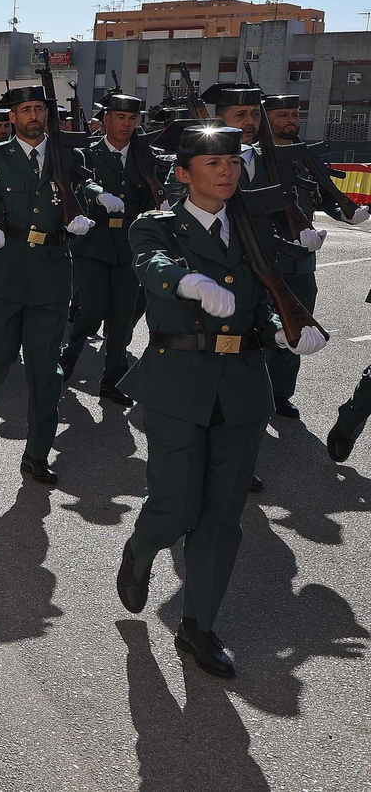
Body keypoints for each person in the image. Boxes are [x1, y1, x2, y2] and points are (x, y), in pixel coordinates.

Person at [115, 121, 327, 679]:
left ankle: (198, 627)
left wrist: (288, 332)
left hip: (240, 389)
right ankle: (142, 549)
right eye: (213, 163)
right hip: (177, 383)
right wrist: (188, 283)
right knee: (175, 507)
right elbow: (151, 265)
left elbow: (271, 300)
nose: (228, 171)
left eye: (233, 162)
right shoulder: (155, 225)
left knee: (221, 518)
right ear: (184, 174)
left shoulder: (255, 228)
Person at [0, 85, 101, 483]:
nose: (34, 115)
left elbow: (83, 187)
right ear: (13, 117)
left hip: (51, 275)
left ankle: (37, 453)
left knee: (46, 371)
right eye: (26, 110)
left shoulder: (65, 155)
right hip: (3, 271)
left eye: (40, 108)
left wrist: (85, 211)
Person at [255, 92, 367, 418]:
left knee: (298, 327)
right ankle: (248, 394)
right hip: (263, 261)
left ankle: (280, 394)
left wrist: (346, 212)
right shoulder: (254, 159)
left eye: (295, 114)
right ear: (266, 120)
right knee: (258, 332)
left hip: (302, 264)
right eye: (283, 115)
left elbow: (323, 196)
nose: (292, 120)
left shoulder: (307, 157)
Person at [60, 92, 156, 405]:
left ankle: (112, 380)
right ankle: (70, 354)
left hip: (129, 244)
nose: (126, 124)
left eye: (132, 118)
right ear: (106, 120)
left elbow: (158, 186)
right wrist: (99, 195)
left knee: (123, 316)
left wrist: (164, 201)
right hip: (94, 242)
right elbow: (79, 184)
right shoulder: (87, 152)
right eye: (120, 117)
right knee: (91, 310)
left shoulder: (146, 155)